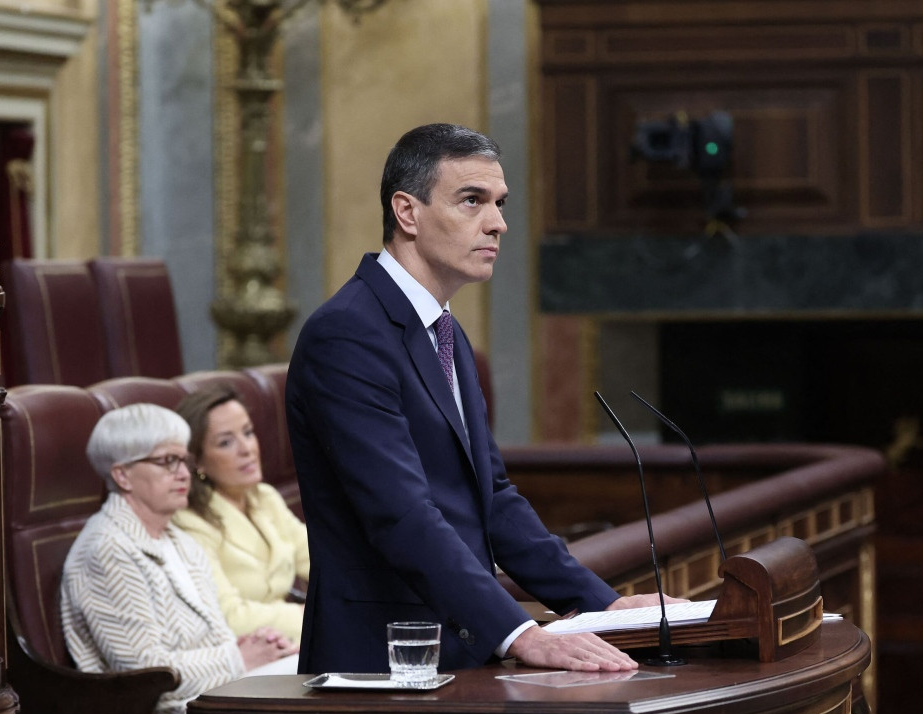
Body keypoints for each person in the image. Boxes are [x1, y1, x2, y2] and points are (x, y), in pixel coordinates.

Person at [286, 122, 683, 676]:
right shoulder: (347, 334)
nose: (497, 223)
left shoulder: (443, 330)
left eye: (499, 203)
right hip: (381, 663)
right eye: (471, 201)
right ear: (407, 213)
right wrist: (520, 633)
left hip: (458, 649)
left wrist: (604, 605)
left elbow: (491, 498)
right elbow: (401, 515)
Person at [59, 403, 281, 714]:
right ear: (123, 475)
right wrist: (238, 658)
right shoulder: (107, 550)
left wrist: (255, 648)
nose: (184, 473)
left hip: (215, 705)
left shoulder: (180, 540)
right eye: (166, 461)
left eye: (184, 459)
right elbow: (145, 675)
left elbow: (214, 636)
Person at [173, 386, 305, 658]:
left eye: (248, 432)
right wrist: (315, 617)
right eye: (226, 442)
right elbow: (229, 616)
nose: (247, 449)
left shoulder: (265, 497)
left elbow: (325, 563)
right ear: (197, 461)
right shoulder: (189, 521)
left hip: (294, 645)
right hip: (248, 659)